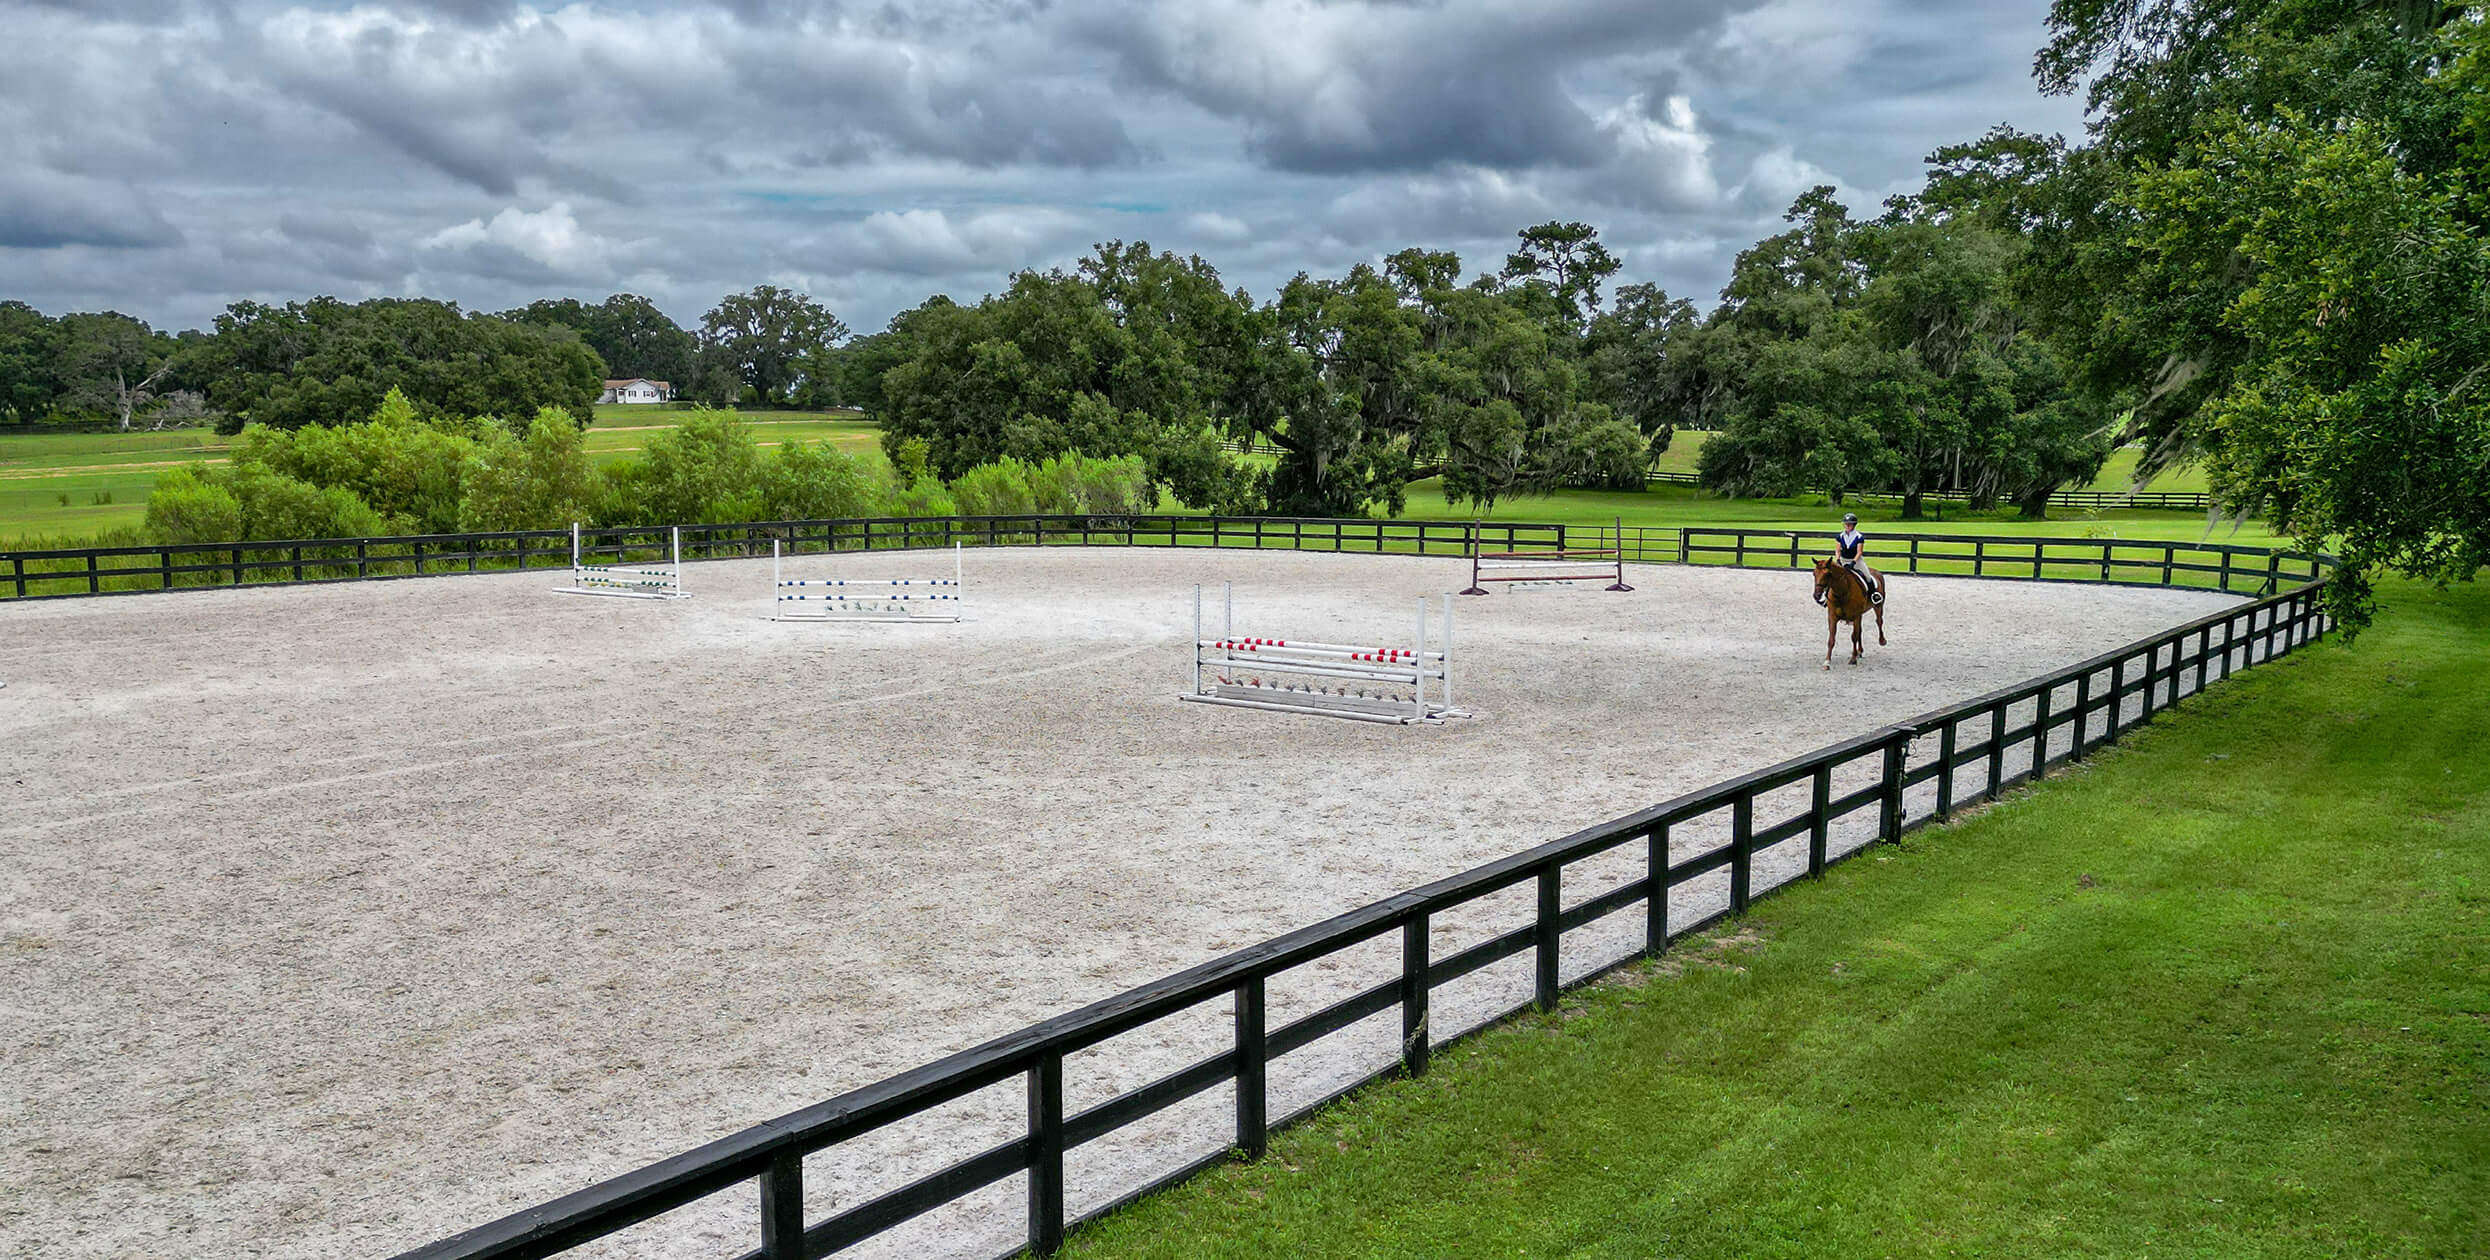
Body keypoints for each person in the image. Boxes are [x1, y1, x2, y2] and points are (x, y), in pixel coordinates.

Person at [1830, 512, 1883, 606]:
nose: (1847, 526)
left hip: (1856, 560)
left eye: (1849, 524)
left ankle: (1873, 595)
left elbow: (1859, 552)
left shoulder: (1859, 537)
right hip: (1843, 560)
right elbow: (1837, 550)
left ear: (1853, 525)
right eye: (1845, 524)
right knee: (1831, 576)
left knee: (1868, 576)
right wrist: (1838, 560)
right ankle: (1827, 597)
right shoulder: (1840, 536)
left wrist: (1853, 563)